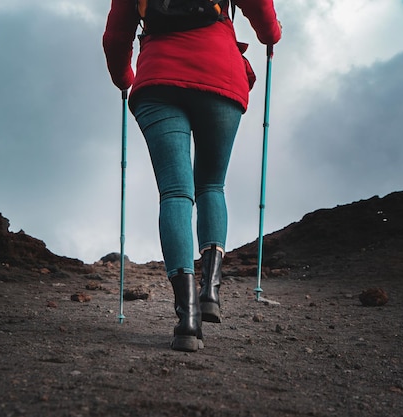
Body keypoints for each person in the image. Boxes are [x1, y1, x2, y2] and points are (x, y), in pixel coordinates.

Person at [103, 0, 281, 352]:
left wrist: (125, 78)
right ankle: (210, 291)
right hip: (220, 74)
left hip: (158, 82)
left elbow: (114, 37)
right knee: (212, 185)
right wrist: (270, 35)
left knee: (174, 193)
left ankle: (187, 318)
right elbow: (261, 10)